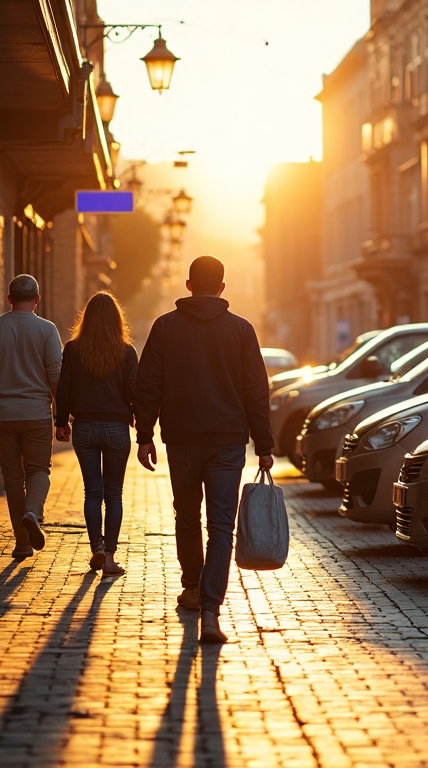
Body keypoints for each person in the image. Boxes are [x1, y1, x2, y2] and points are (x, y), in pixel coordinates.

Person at [134, 255, 274, 643]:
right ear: (223, 288)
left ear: (188, 285)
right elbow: (255, 392)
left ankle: (193, 587)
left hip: (181, 439)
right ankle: (211, 609)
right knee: (221, 526)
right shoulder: (241, 331)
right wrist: (263, 444)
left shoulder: (165, 328)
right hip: (227, 441)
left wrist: (144, 434)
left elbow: (148, 384)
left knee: (186, 516)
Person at [0, 275, 63, 559]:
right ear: (37, 299)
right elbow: (56, 377)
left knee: (12, 477)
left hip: (3, 414)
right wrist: (61, 416)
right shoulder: (47, 330)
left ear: (9, 299)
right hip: (36, 413)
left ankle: (22, 543)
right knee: (39, 470)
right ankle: (33, 512)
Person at [55, 292, 138, 576]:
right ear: (117, 320)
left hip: (85, 428)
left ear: (86, 319)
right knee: (114, 494)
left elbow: (63, 388)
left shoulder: (73, 350)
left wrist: (61, 421)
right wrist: (139, 418)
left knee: (92, 492)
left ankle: (97, 548)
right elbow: (133, 392)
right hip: (116, 429)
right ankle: (111, 559)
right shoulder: (126, 352)